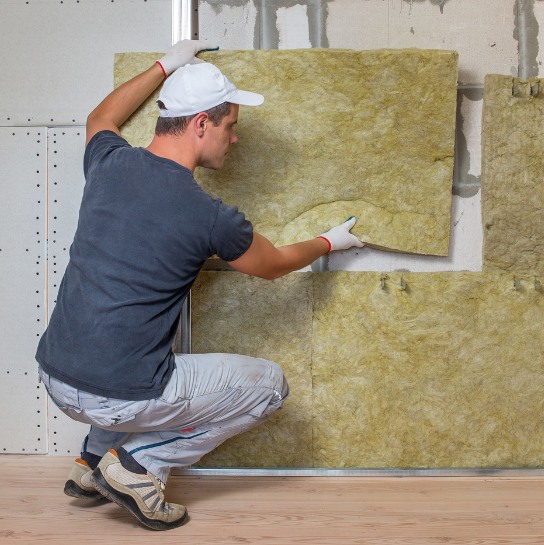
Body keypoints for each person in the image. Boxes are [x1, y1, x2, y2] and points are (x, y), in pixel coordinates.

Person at [35, 40, 364, 531]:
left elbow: (99, 117)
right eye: (230, 127)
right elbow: (273, 265)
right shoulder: (209, 217)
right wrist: (327, 242)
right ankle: (135, 467)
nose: (234, 140)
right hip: (115, 394)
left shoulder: (109, 164)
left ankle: (90, 463)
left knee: (127, 349)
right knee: (269, 386)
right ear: (201, 124)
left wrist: (166, 64)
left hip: (56, 377)